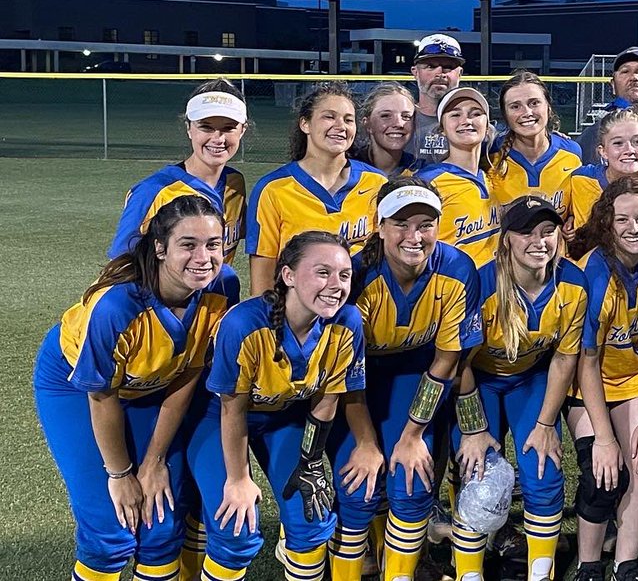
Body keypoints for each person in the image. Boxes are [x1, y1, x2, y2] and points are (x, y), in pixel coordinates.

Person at [34, 196, 237, 581]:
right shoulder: (117, 306)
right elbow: (101, 394)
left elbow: (188, 373)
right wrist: (121, 473)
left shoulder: (223, 285)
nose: (204, 256)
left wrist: (155, 461)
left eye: (214, 244)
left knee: (160, 524)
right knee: (110, 531)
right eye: (188, 244)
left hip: (155, 382)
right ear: (160, 248)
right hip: (78, 388)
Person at [186, 230, 366, 581]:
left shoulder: (348, 322)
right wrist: (238, 479)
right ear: (288, 276)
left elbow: (327, 399)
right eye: (322, 272)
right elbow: (231, 409)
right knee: (234, 528)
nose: (336, 284)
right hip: (217, 419)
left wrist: (311, 461)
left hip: (283, 418)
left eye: (344, 275)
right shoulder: (244, 323)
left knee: (311, 521)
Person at [327, 179, 483, 581]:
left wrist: (412, 436)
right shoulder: (356, 274)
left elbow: (448, 356)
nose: (414, 236)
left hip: (418, 375)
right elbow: (343, 370)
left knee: (413, 486)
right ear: (378, 225)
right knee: (358, 488)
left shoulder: (456, 268)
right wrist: (365, 442)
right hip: (352, 387)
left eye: (425, 223)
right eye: (401, 223)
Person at [451, 196, 588, 581]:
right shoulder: (480, 283)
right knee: (478, 479)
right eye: (525, 232)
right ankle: (469, 575)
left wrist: (545, 425)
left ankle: (539, 574)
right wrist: (475, 429)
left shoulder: (572, 283)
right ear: (506, 239)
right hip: (476, 385)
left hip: (531, 380)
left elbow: (564, 359)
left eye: (547, 232)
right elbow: (456, 363)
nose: (538, 241)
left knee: (544, 473)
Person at [566, 177, 638, 581]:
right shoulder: (591, 273)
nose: (634, 228)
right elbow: (585, 361)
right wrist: (606, 439)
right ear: (606, 223)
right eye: (623, 219)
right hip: (585, 385)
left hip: (630, 382)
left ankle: (625, 566)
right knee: (601, 473)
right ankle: (588, 565)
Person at [247, 81, 387, 295]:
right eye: (329, 116)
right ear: (305, 124)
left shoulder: (376, 183)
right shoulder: (274, 189)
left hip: (361, 312)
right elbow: (263, 280)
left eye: (348, 120)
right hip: (297, 315)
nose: (341, 126)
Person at [109, 79, 248, 261]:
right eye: (206, 127)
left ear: (242, 130)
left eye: (228, 128)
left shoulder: (234, 183)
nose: (218, 138)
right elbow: (121, 264)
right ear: (189, 128)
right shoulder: (153, 191)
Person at [416, 86, 501, 267]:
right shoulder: (428, 182)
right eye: (455, 115)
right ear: (442, 130)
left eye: (475, 113)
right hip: (453, 288)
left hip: (495, 288)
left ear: (487, 127)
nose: (466, 120)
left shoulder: (493, 176)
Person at [565, 108, 638, 237]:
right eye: (618, 143)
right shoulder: (580, 180)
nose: (629, 149)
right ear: (603, 151)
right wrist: (568, 220)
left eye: (637, 142)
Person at [489, 70, 583, 213]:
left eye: (534, 103)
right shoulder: (490, 155)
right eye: (515, 106)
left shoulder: (571, 152)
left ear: (548, 107)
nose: (527, 112)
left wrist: (571, 218)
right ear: (505, 114)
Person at [405, 33, 466, 163]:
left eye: (448, 67)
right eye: (431, 66)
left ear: (460, 73)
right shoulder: (399, 122)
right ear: (415, 72)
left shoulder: (475, 124)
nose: (439, 73)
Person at [356, 80, 421, 176]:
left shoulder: (421, 171)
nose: (399, 124)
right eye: (386, 116)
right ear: (367, 124)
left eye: (406, 117)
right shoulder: (348, 171)